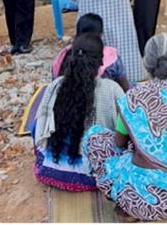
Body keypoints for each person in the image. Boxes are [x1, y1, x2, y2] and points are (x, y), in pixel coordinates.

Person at [83, 34, 167, 221]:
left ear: (145, 63)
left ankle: (128, 208)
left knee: (94, 137)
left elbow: (118, 144)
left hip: (143, 201)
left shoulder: (132, 97)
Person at [33, 33, 124, 191]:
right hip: (91, 178)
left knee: (38, 123)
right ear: (101, 61)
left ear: (72, 58)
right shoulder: (111, 89)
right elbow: (125, 132)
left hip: (49, 172)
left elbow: (40, 131)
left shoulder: (55, 85)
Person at [51, 13, 129, 91]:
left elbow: (55, 84)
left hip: (68, 101)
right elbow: (125, 87)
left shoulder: (63, 56)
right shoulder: (111, 56)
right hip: (105, 101)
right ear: (100, 34)